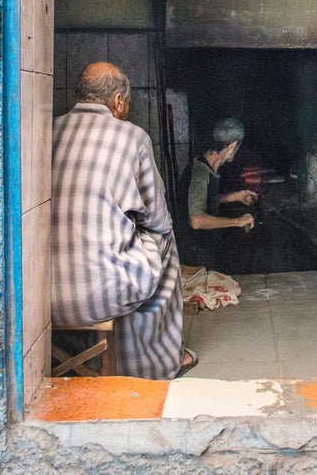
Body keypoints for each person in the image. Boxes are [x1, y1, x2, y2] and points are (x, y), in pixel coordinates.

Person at [51, 62, 195, 380]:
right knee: (163, 242)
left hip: (42, 297)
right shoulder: (133, 137)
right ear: (118, 101)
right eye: (127, 103)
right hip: (101, 297)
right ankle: (156, 362)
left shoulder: (49, 130)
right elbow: (157, 217)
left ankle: (81, 360)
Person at [174, 118, 258, 270]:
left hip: (204, 248)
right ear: (232, 146)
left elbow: (207, 199)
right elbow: (197, 221)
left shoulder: (210, 167)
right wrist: (237, 221)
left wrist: (236, 196)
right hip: (194, 255)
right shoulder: (200, 172)